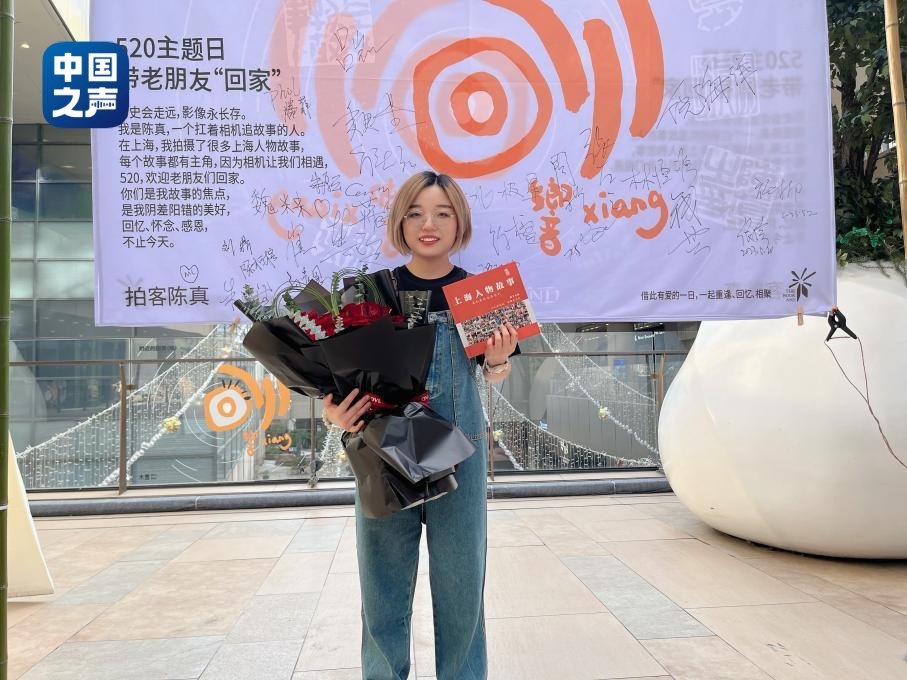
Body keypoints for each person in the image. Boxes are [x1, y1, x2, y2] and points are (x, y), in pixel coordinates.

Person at [323, 170, 516, 680]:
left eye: (442, 214)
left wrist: (499, 359)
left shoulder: (481, 292)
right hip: (384, 451)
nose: (428, 225)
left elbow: (493, 373)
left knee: (462, 588)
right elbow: (340, 377)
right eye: (415, 213)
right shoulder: (370, 293)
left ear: (459, 223)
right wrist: (334, 412)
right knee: (381, 586)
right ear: (400, 223)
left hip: (460, 452)